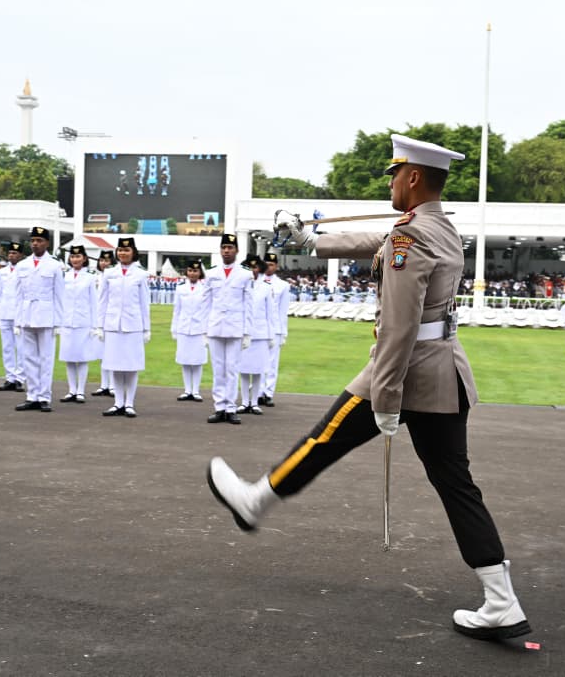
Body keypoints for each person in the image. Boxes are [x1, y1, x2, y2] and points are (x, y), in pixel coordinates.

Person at [207, 134, 531, 640]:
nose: (391, 183)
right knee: (456, 485)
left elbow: (399, 326)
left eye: (395, 174)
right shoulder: (436, 226)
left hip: (403, 371)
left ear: (413, 177)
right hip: (443, 373)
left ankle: (255, 501)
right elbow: (376, 241)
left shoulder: (410, 237)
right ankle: (501, 599)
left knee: (323, 440)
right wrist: (308, 240)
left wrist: (386, 397)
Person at [203, 233, 254, 424]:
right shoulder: (211, 273)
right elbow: (205, 303)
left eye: (230, 247)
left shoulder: (245, 274)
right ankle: (219, 407)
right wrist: (204, 330)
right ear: (220, 250)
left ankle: (231, 407)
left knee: (232, 369)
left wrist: (247, 332)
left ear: (237, 250)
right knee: (218, 369)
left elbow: (249, 305)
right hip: (215, 327)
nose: (226, 251)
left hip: (235, 327)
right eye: (224, 247)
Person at [98, 237, 151, 417]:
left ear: (133, 252)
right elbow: (102, 301)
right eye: (120, 250)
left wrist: (146, 328)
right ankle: (118, 402)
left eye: (127, 250)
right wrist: (99, 326)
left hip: (133, 325)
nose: (123, 253)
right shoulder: (109, 273)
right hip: (113, 324)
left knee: (131, 366)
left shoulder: (141, 274)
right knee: (115, 365)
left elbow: (144, 303)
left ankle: (129, 403)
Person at [13, 226, 64, 413]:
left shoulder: (55, 265)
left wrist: (58, 322)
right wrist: (17, 321)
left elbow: (59, 295)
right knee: (28, 358)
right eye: (33, 240)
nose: (35, 244)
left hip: (46, 316)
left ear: (47, 243)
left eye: (39, 240)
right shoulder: (22, 265)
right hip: (27, 315)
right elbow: (18, 295)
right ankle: (32, 395)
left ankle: (44, 396)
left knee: (46, 359)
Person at [236, 254, 276, 415]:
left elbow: (270, 314)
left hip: (260, 334)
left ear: (260, 268)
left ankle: (254, 402)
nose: (252, 270)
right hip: (243, 333)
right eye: (249, 267)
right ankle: (244, 402)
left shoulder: (266, 287)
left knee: (258, 370)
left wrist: (271, 336)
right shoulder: (239, 286)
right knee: (244, 370)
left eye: (255, 267)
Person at [59, 245, 100, 404]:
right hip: (66, 321)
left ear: (84, 258)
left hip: (83, 321)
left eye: (78, 256)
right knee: (69, 358)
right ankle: (71, 390)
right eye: (72, 257)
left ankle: (81, 391)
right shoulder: (64, 275)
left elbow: (93, 302)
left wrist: (95, 325)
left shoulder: (90, 277)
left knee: (82, 358)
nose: (75, 259)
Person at [171, 259, 208, 402]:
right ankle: (187, 390)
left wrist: (207, 331)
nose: (193, 273)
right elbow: (177, 310)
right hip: (184, 327)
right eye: (190, 270)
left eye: (196, 271)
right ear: (186, 272)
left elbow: (207, 311)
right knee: (185, 360)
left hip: (199, 329)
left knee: (198, 361)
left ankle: (196, 390)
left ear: (200, 273)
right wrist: (174, 329)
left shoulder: (204, 288)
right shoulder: (180, 288)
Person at [0, 242, 26, 393]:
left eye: (15, 253)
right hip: (5, 312)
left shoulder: (24, 270)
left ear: (20, 255)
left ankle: (20, 378)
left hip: (19, 314)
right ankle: (10, 378)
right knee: (7, 348)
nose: (11, 255)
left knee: (21, 348)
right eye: (10, 253)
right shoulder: (2, 272)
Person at [259, 252, 290, 407]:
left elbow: (283, 311)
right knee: (258, 361)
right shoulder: (255, 281)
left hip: (275, 328)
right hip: (259, 328)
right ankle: (257, 392)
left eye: (271, 264)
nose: (268, 267)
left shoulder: (283, 285)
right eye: (266, 264)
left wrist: (283, 333)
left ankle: (268, 393)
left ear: (276, 266)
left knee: (272, 363)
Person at [92, 249, 116, 398]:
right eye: (101, 260)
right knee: (101, 354)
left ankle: (113, 385)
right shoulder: (95, 277)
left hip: (111, 318)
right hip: (98, 318)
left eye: (107, 260)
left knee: (111, 353)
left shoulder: (114, 277)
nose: (104, 263)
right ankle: (104, 385)